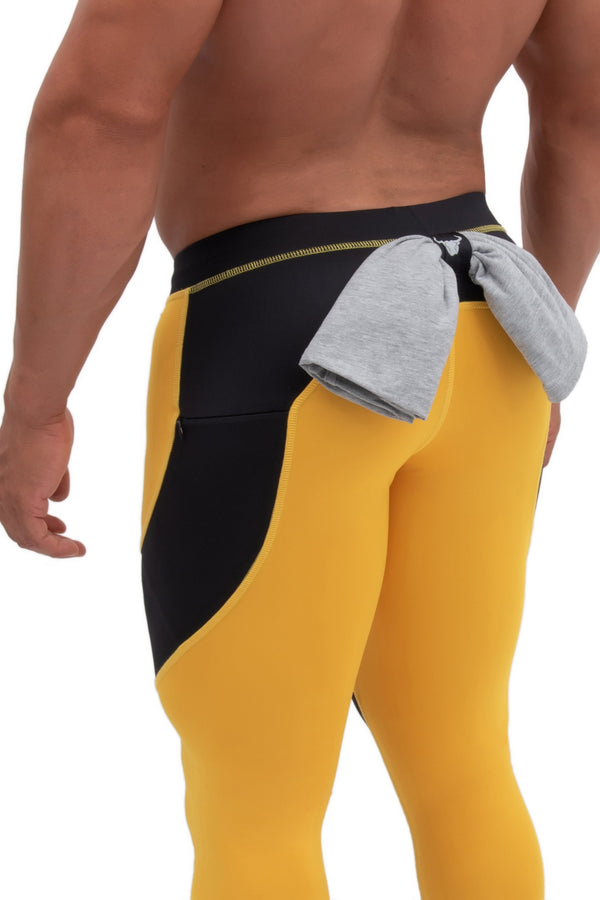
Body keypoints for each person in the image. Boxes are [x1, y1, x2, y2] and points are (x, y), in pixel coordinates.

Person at [0, 0, 598, 897]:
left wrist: (35, 405)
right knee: (463, 766)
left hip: (279, 333)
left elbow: (102, 112)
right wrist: (546, 337)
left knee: (257, 809)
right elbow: (585, 114)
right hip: (490, 322)